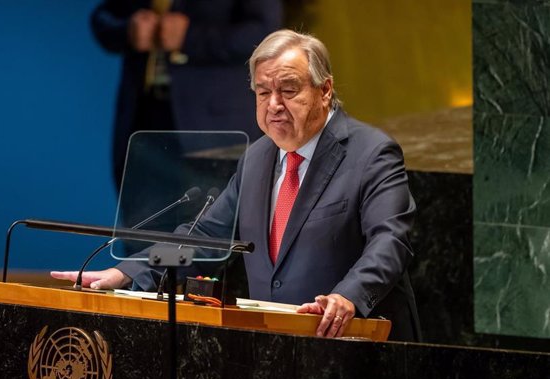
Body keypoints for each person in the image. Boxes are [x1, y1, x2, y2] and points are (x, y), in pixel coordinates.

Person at [54, 29, 421, 342]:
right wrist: (129, 271)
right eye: (263, 93)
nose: (274, 104)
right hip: (271, 348)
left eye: (289, 90)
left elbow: (390, 241)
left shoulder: (371, 153)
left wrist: (348, 297)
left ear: (325, 91)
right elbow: (203, 239)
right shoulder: (258, 158)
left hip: (355, 348)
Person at [90, 0, 283, 192]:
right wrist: (126, 30)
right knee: (142, 219)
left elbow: (265, 32)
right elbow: (103, 16)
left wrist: (189, 36)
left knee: (208, 220)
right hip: (143, 118)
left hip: (215, 129)